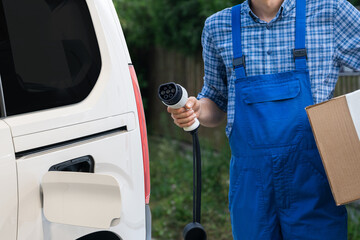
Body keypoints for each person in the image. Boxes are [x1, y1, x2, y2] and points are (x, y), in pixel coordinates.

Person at [166, 0, 360, 239]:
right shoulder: (218, 26)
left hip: (314, 183)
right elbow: (215, 100)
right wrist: (194, 110)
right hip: (251, 187)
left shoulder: (331, 12)